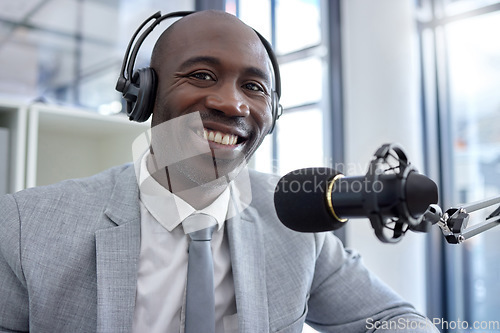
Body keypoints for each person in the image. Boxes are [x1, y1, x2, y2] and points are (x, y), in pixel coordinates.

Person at [0, 10, 438, 333]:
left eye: (253, 87)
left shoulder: (294, 227)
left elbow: (394, 320)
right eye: (203, 75)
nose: (233, 104)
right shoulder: (27, 227)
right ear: (144, 94)